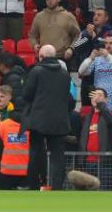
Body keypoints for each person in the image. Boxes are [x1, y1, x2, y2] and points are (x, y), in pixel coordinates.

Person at [22, 45, 70, 191]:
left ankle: (34, 185)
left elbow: (27, 95)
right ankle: (57, 187)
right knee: (58, 155)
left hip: (39, 120)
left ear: (41, 56)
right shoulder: (65, 74)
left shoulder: (36, 71)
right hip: (59, 120)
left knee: (35, 151)